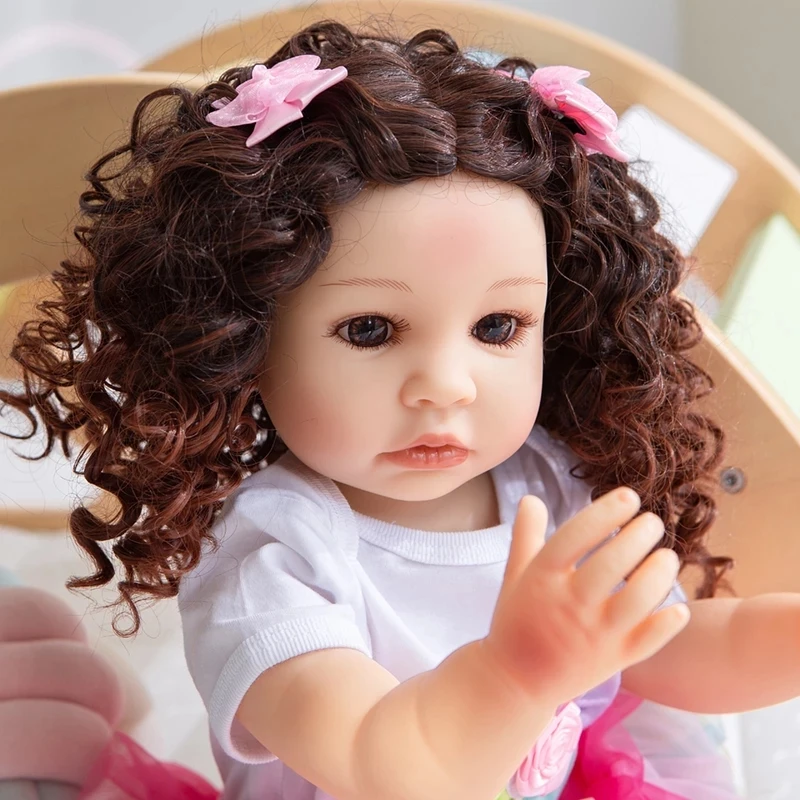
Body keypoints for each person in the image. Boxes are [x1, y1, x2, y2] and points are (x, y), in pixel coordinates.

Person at [4, 18, 800, 800]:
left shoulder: (548, 481)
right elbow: (377, 763)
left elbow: (672, 645)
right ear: (244, 341)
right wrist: (520, 670)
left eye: (497, 327)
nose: (446, 386)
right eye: (371, 330)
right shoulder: (273, 560)